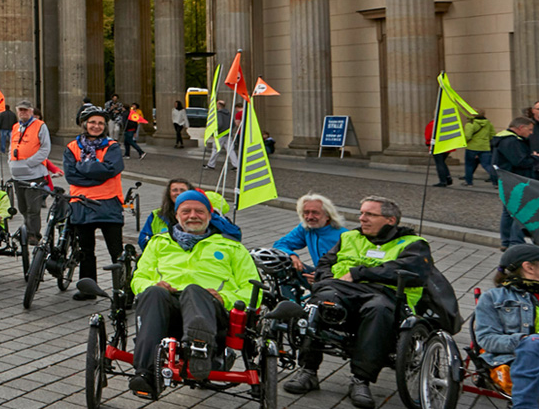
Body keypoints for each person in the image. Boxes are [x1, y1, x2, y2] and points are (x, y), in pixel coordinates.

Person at [283, 196, 435, 409]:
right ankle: (308, 371)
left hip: (385, 294)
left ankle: (360, 380)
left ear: (390, 220)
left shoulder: (413, 244)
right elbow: (326, 262)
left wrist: (359, 273)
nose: (362, 218)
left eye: (370, 214)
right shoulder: (350, 237)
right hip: (341, 289)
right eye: (362, 213)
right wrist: (325, 281)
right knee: (317, 305)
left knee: (378, 310)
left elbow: (413, 272)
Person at [127, 190, 259, 398]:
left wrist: (224, 298)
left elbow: (253, 289)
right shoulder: (158, 243)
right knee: (152, 292)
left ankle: (199, 351)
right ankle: (146, 374)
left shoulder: (232, 247)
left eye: (199, 211)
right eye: (186, 211)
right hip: (165, 310)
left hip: (211, 310)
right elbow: (138, 278)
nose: (193, 215)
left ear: (209, 215)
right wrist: (153, 285)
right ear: (177, 215)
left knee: (193, 290)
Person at [469, 244, 539, 409]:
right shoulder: (495, 297)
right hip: (519, 361)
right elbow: (486, 340)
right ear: (529, 267)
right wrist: (524, 341)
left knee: (537, 342)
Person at [64, 107, 126, 297]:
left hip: (108, 203)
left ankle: (124, 289)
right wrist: (97, 173)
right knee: (85, 251)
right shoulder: (71, 147)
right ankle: (87, 289)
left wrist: (82, 166)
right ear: (84, 124)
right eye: (92, 122)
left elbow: (112, 169)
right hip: (81, 204)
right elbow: (71, 176)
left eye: (100, 123)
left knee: (116, 251)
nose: (96, 126)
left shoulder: (112, 146)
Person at [495, 118, 539, 247]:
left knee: (509, 212)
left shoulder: (505, 139)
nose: (531, 133)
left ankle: (507, 241)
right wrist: (537, 158)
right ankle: (515, 242)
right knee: (519, 211)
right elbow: (520, 162)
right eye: (529, 129)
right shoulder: (511, 141)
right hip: (516, 180)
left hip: (509, 179)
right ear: (520, 128)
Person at [7, 100, 52, 244]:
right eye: (20, 110)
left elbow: (45, 149)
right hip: (17, 174)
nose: (23, 113)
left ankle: (34, 234)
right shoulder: (16, 127)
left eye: (25, 110)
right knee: (22, 206)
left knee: (33, 207)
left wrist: (29, 163)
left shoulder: (40, 126)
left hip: (34, 174)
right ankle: (26, 230)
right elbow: (11, 146)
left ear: (31, 111)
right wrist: (11, 161)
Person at [273, 194, 350, 269]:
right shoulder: (306, 228)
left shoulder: (344, 236)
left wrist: (323, 276)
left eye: (315, 212)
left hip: (336, 277)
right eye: (306, 212)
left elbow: (350, 267)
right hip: (319, 273)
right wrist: (291, 255)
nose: (310, 217)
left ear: (327, 215)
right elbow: (280, 244)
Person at [464, 113, 494, 186]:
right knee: (487, 165)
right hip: (485, 147)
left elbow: (467, 136)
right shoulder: (488, 123)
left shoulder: (470, 124)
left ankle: (469, 182)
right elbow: (492, 135)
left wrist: (465, 142)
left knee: (469, 165)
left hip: (472, 147)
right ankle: (496, 182)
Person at [426, 119, 455, 187]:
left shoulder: (432, 124)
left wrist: (428, 143)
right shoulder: (447, 124)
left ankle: (443, 181)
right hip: (447, 146)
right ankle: (448, 178)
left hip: (437, 146)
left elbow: (429, 135)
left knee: (439, 164)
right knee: (442, 162)